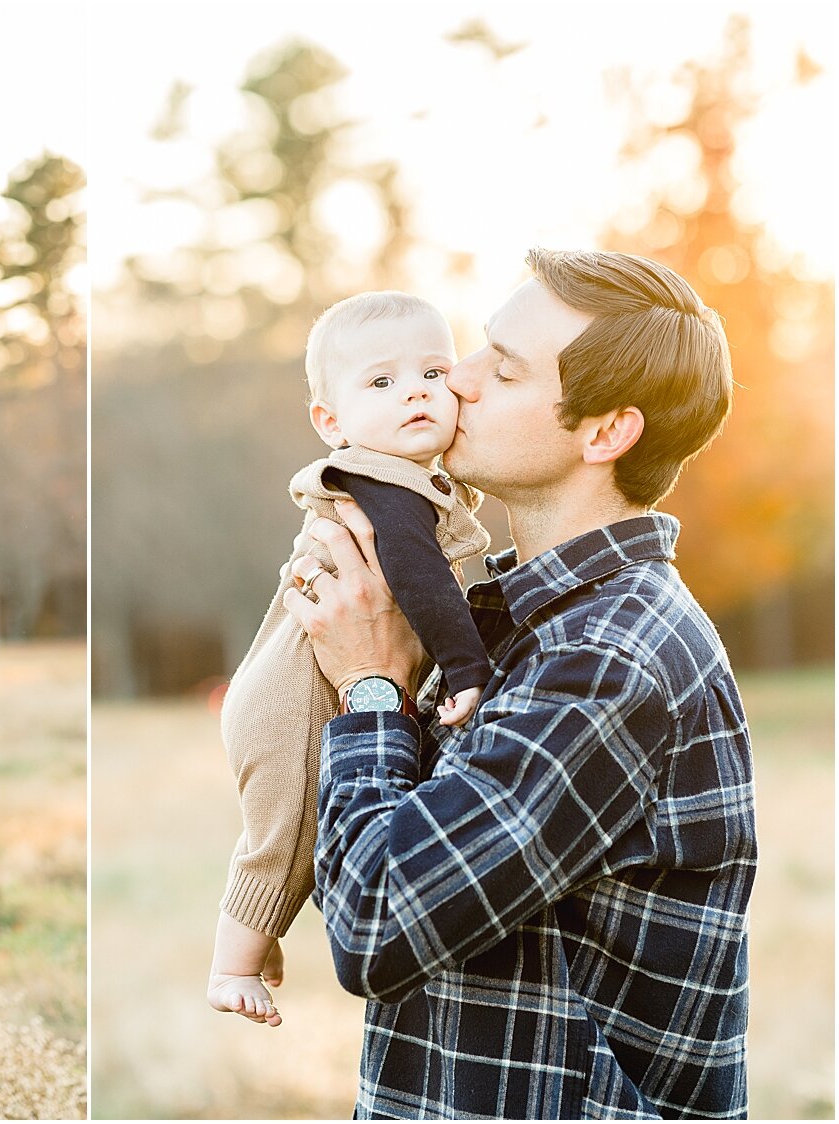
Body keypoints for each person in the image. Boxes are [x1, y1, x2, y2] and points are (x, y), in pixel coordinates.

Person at [284, 248, 754, 1118]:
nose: (453, 381)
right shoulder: (498, 614)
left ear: (605, 432)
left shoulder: (611, 660)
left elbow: (377, 925)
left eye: (500, 368)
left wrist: (373, 686)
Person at [208, 292, 493, 1028]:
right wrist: (468, 667)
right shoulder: (384, 488)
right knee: (283, 833)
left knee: (291, 829)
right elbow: (421, 583)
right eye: (381, 383)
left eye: (434, 370)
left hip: (290, 677)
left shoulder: (407, 481)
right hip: (290, 695)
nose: (416, 392)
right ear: (330, 422)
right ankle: (230, 965)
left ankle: (259, 937)